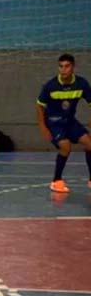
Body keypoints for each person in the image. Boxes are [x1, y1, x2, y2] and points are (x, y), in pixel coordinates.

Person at [38, 53, 91, 193]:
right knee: (65, 146)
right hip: (54, 123)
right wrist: (43, 126)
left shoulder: (82, 83)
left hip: (70, 122)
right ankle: (56, 181)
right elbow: (40, 106)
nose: (63, 69)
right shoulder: (50, 86)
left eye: (67, 66)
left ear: (73, 67)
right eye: (61, 66)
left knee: (88, 142)